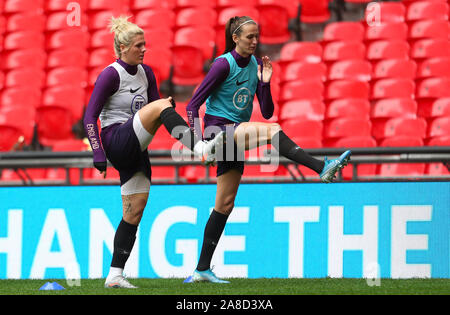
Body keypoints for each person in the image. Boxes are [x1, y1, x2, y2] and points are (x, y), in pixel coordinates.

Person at [184, 16, 351, 283]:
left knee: (225, 204)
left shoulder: (253, 65)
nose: (255, 41)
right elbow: (192, 106)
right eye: (249, 37)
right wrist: (198, 144)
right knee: (272, 131)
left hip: (236, 133)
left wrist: (265, 82)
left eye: (257, 36)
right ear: (235, 38)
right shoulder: (221, 65)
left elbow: (268, 110)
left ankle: (201, 269)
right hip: (217, 133)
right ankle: (322, 167)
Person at [83, 16, 225, 288]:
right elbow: (89, 117)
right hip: (116, 139)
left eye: (145, 44)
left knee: (133, 212)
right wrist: (98, 154)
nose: (144, 49)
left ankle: (114, 274)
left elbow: (156, 109)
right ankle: (201, 147)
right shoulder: (111, 74)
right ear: (122, 48)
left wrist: (165, 109)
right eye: (138, 45)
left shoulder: (146, 72)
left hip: (136, 145)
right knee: (161, 107)